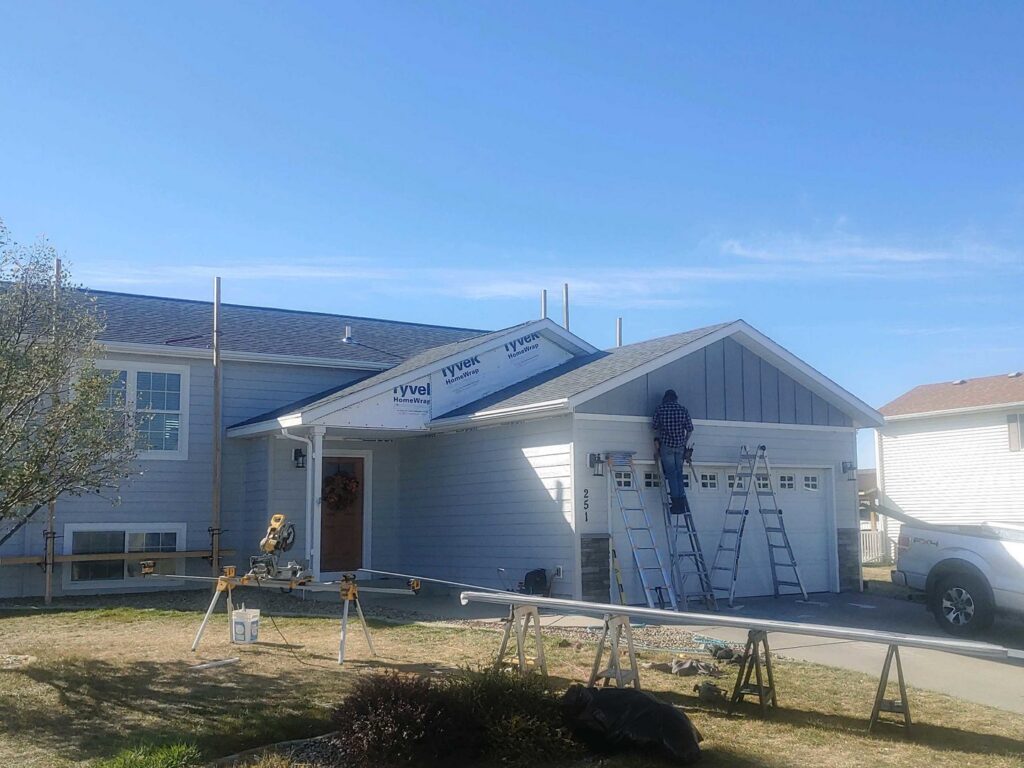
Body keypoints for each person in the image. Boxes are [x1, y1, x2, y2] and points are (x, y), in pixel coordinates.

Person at [652, 389, 692, 512]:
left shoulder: (660, 409)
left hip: (667, 446)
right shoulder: (683, 410)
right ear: (676, 398)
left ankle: (676, 504)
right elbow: (690, 429)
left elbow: (654, 426)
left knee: (671, 474)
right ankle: (681, 502)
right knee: (679, 473)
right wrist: (684, 441)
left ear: (665, 398)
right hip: (680, 447)